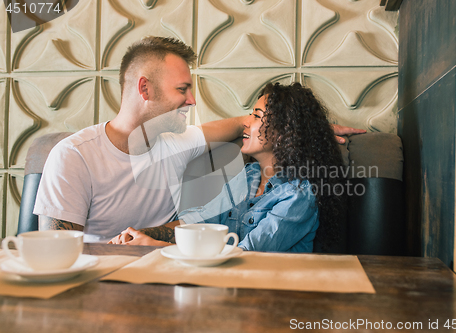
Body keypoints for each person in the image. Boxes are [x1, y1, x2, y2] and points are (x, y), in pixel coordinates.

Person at [34, 36, 363, 243]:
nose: (192, 101)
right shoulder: (73, 156)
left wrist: (305, 129)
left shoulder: (176, 144)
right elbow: (54, 253)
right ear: (144, 89)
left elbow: (242, 126)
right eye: (182, 89)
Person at [110, 82, 346, 253]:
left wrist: (157, 247)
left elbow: (246, 255)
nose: (246, 121)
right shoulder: (248, 176)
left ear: (285, 134)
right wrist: (143, 234)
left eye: (256, 115)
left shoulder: (298, 196)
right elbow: (201, 220)